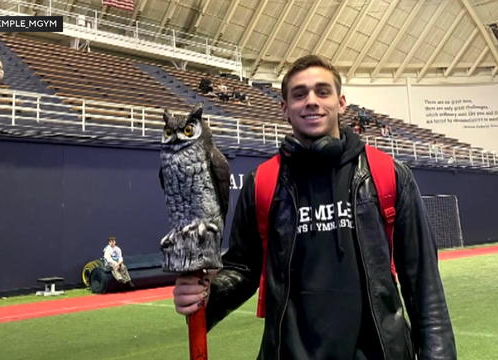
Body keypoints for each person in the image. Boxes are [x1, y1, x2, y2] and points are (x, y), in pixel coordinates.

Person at [173, 55, 456, 359]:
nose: (311, 101)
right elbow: (243, 268)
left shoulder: (387, 174)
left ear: (341, 102)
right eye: (299, 94)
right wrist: (206, 294)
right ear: (284, 108)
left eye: (322, 92)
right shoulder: (263, 183)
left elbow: (423, 282)